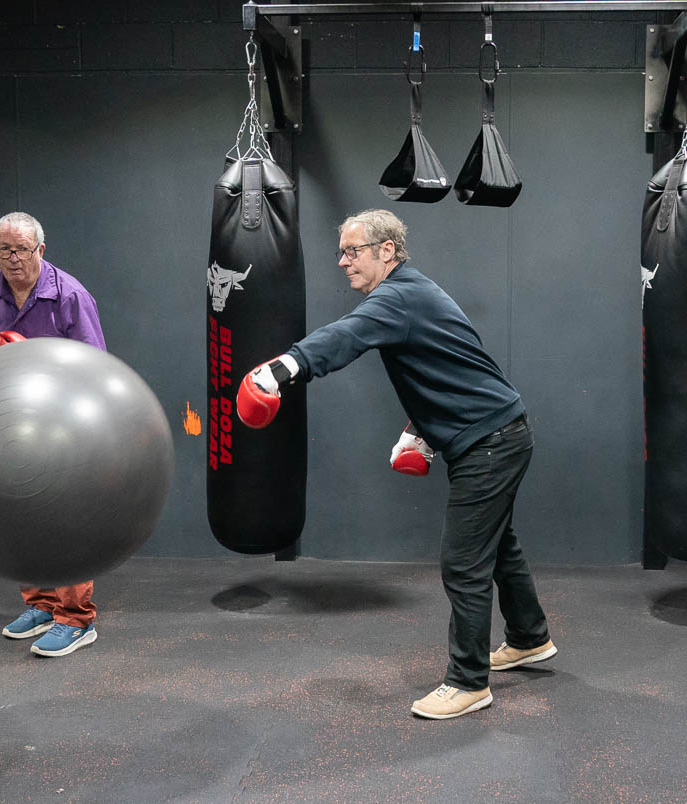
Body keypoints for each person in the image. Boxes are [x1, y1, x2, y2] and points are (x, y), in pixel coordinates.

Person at [237, 209, 556, 719]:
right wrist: (420, 425)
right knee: (497, 546)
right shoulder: (412, 292)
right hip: (499, 430)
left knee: (464, 560)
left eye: (353, 250)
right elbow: (449, 365)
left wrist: (283, 368)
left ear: (386, 250)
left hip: (489, 442)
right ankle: (529, 638)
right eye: (341, 251)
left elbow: (345, 336)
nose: (343, 261)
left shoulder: (396, 297)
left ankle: (469, 682)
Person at [0, 211, 106, 658]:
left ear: (40, 250)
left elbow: (92, 369)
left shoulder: (71, 296)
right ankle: (41, 604)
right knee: (19, 517)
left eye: (21, 249)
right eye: (3, 249)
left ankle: (76, 618)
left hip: (63, 426)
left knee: (64, 521)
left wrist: (34, 360)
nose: (12, 259)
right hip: (10, 425)